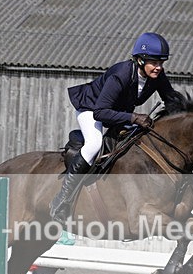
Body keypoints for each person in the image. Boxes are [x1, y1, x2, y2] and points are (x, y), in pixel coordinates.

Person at [49, 32, 181, 222]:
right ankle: (62, 199)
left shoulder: (156, 76)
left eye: (162, 62)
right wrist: (134, 117)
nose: (159, 67)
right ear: (140, 60)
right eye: (154, 62)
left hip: (117, 112)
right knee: (94, 144)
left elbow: (171, 99)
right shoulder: (121, 74)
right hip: (92, 107)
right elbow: (100, 112)